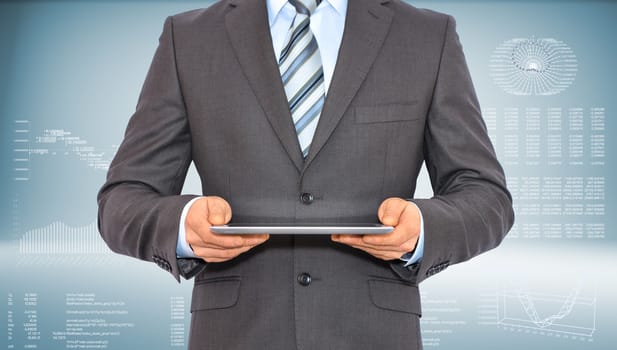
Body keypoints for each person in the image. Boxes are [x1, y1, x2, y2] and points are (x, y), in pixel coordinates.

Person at [97, 0, 514, 349]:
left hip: (374, 334)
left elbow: (485, 195)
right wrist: (183, 227)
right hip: (235, 334)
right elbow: (122, 199)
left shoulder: (426, 36)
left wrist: (421, 230)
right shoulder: (188, 38)